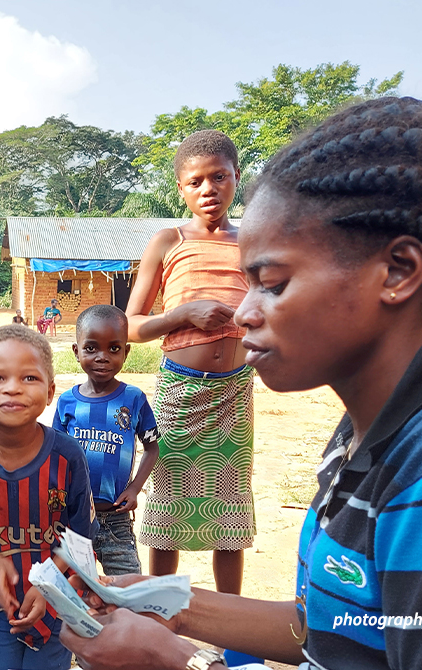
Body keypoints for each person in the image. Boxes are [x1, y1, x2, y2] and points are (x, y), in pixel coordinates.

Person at [61, 98, 422, 670]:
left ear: (397, 272)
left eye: (272, 282)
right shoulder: (375, 427)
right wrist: (164, 603)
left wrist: (185, 663)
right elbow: (329, 624)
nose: (242, 313)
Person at [124, 130, 253, 595]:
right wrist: (183, 315)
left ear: (237, 177)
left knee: (230, 509)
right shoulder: (168, 240)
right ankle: (163, 615)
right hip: (181, 395)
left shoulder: (254, 241)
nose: (208, 189)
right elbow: (131, 326)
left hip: (235, 392)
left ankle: (231, 621)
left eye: (219, 177)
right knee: (170, 510)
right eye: (195, 181)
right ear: (181, 188)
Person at [0, 326, 97, 670]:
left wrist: (49, 586)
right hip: (1, 600)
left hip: (60, 599)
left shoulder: (67, 456)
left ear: (50, 391)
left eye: (29, 378)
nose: (12, 388)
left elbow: (82, 533)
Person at [52, 305, 160, 575]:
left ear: (126, 351)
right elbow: (55, 455)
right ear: (76, 352)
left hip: (116, 519)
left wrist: (135, 488)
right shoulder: (67, 402)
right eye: (91, 348)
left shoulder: (133, 399)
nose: (102, 357)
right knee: (72, 589)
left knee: (127, 589)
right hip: (74, 517)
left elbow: (152, 447)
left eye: (114, 348)